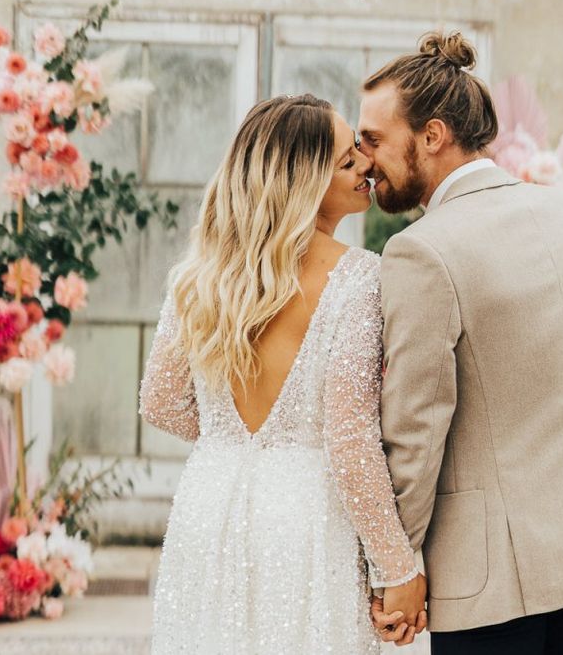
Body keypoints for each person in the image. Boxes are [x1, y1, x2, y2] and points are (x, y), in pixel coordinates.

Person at [359, 32, 563, 655]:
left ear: (432, 135)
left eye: (373, 139)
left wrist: (395, 569)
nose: (364, 158)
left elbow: (415, 432)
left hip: (498, 581)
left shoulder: (422, 250)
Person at [139, 94, 426, 654]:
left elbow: (160, 402)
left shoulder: (199, 276)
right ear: (304, 183)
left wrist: (232, 440)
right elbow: (350, 441)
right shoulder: (359, 277)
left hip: (209, 507)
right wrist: (398, 567)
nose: (367, 164)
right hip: (307, 520)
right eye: (348, 161)